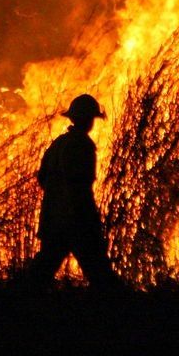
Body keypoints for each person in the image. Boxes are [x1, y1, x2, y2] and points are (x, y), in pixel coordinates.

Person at [28, 93, 118, 288]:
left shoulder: (58, 144)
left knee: (41, 270)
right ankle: (122, 313)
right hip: (77, 221)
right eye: (91, 119)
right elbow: (80, 187)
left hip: (53, 219)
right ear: (87, 120)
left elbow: (42, 177)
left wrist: (56, 200)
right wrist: (89, 219)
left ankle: (11, 301)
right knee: (101, 273)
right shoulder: (82, 145)